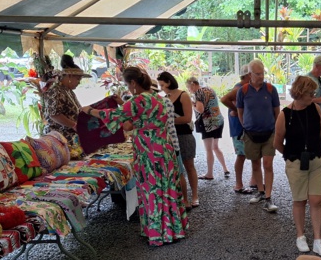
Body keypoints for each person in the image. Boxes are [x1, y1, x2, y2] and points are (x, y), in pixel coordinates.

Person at [81, 67, 187, 246]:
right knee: (167, 188)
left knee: (152, 190)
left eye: (127, 84)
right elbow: (136, 116)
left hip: (149, 151)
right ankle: (173, 229)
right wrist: (121, 103)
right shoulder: (157, 98)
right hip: (164, 148)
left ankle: (158, 234)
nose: (128, 88)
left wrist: (89, 110)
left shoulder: (138, 100)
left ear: (133, 83)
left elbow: (115, 115)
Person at [274, 76, 321, 256]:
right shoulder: (285, 114)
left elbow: (319, 134)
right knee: (300, 200)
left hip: (317, 160)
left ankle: (318, 239)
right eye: (310, 93)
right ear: (299, 93)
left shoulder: (315, 109)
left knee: (317, 200)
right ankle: (300, 236)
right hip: (296, 162)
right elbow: (277, 142)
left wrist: (316, 151)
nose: (312, 97)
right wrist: (290, 156)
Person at [236, 58, 280, 213]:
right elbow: (240, 111)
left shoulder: (270, 89)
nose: (261, 76)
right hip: (250, 133)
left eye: (262, 73)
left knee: (267, 164)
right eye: (257, 74)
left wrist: (275, 128)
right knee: (255, 164)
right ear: (250, 74)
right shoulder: (243, 91)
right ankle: (260, 192)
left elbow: (277, 111)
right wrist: (245, 126)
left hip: (269, 132)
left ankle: (268, 198)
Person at [157, 71, 197, 208]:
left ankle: (195, 196)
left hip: (184, 135)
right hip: (171, 136)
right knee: (178, 169)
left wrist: (168, 121)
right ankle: (182, 197)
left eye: (162, 85)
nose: (161, 88)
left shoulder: (183, 95)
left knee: (189, 166)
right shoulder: (164, 98)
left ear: (168, 82)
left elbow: (187, 118)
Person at [41, 62, 91, 159]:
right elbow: (54, 114)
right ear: (69, 76)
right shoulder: (56, 90)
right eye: (77, 79)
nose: (79, 82)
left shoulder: (68, 91)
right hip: (59, 138)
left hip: (71, 137)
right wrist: (74, 125)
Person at [220, 65, 256, 194]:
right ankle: (238, 184)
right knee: (241, 155)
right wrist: (237, 110)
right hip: (239, 127)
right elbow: (224, 99)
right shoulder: (239, 88)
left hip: (244, 125)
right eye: (254, 74)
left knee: (252, 153)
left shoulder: (245, 87)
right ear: (248, 75)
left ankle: (253, 180)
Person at [186, 77, 228, 180]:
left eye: (188, 88)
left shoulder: (198, 93)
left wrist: (192, 104)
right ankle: (225, 169)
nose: (189, 90)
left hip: (208, 123)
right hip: (218, 120)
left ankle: (209, 173)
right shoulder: (209, 89)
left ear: (193, 85)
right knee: (215, 147)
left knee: (209, 149)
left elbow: (200, 110)